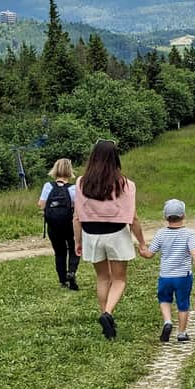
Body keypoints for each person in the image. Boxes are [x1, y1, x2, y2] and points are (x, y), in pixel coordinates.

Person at [73, 140, 146, 340]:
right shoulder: (125, 184)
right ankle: (108, 313)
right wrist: (141, 242)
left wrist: (77, 241)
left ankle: (105, 315)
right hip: (116, 234)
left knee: (102, 277)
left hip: (91, 234)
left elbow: (77, 216)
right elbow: (133, 218)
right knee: (119, 279)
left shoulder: (81, 183)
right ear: (115, 157)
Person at [139, 199, 195, 342]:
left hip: (165, 276)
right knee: (183, 304)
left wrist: (142, 250)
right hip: (183, 277)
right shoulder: (189, 233)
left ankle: (167, 322)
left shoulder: (161, 233)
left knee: (164, 299)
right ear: (183, 215)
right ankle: (182, 333)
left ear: (165, 216)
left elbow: (149, 254)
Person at [38, 158, 79, 290]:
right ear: (70, 171)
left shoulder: (48, 186)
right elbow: (78, 207)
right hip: (70, 225)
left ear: (55, 170)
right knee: (74, 249)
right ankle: (71, 272)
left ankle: (62, 280)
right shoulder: (73, 188)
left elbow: (41, 205)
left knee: (59, 252)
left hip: (53, 225)